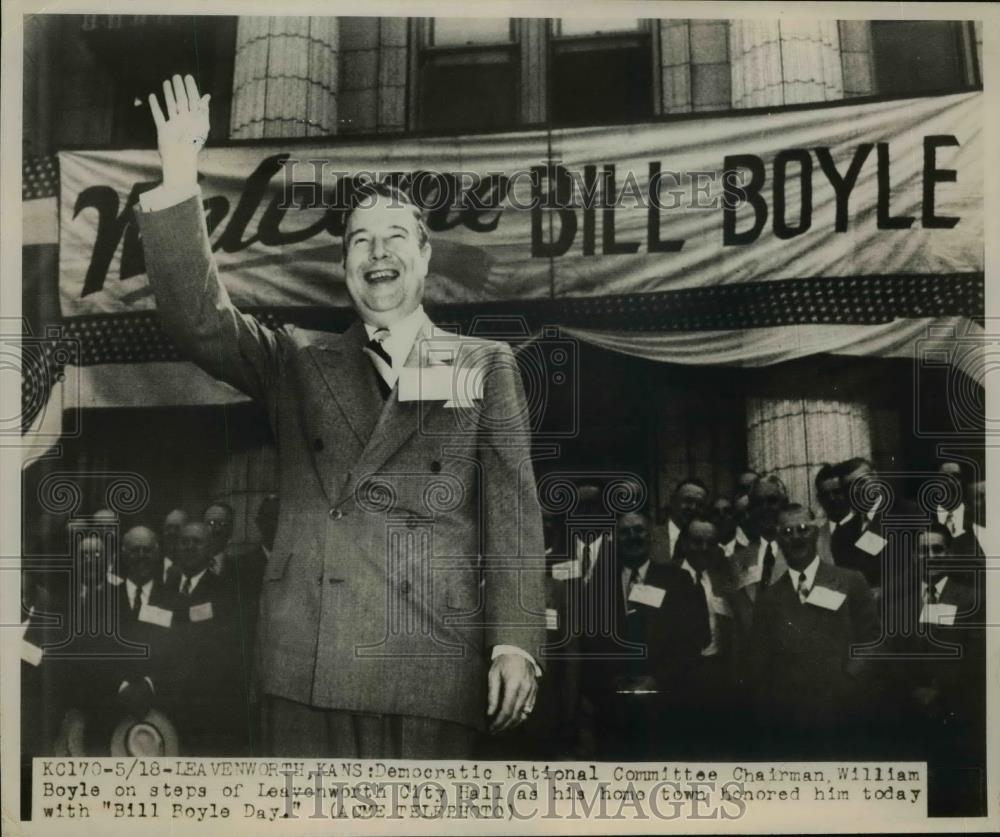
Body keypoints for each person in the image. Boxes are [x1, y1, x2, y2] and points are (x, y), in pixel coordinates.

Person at [136, 74, 545, 758]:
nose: (377, 252)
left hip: (430, 662)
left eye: (395, 236)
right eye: (359, 240)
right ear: (344, 265)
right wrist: (179, 175)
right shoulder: (298, 360)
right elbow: (198, 321)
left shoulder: (482, 363)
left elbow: (515, 515)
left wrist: (515, 641)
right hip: (306, 664)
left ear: (425, 256)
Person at [749, 503, 879, 759]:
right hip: (792, 721)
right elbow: (760, 661)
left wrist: (849, 680)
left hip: (844, 711)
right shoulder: (769, 597)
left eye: (802, 529)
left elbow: (873, 640)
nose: (796, 538)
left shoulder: (850, 581)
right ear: (778, 540)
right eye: (787, 532)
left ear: (816, 533)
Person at [728, 474, 789, 639]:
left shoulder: (800, 552)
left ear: (783, 505)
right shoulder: (737, 560)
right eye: (758, 503)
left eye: (772, 501)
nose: (765, 508)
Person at [662, 477, 709, 561]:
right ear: (673, 501)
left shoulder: (708, 543)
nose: (693, 508)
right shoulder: (651, 537)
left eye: (700, 504)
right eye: (688, 500)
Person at [813, 462, 848, 564]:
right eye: (825, 495)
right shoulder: (814, 537)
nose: (831, 499)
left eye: (837, 492)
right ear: (819, 499)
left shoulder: (865, 528)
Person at [161, 508, 188, 584]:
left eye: (177, 528)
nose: (172, 532)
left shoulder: (194, 566)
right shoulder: (153, 565)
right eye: (168, 527)